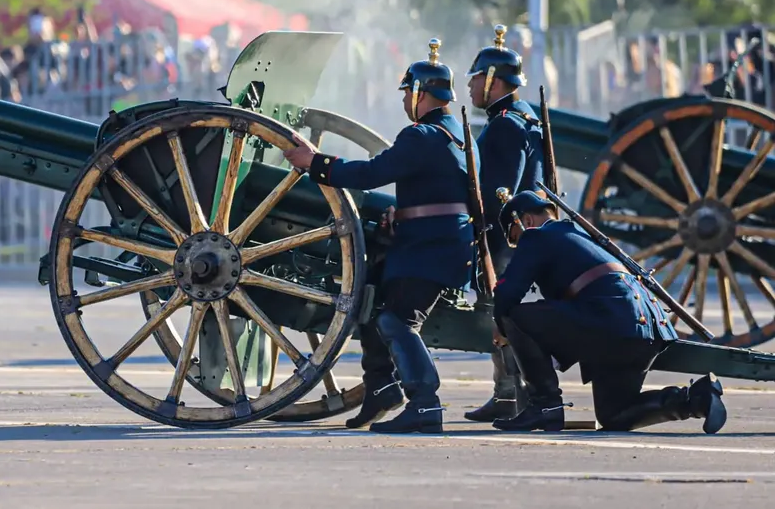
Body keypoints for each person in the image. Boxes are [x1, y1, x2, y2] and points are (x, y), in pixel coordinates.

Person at [283, 39, 477, 434]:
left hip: (430, 247)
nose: (405, 100)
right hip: (438, 241)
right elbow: (436, 191)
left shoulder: (420, 135)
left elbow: (372, 173)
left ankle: (425, 405)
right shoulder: (456, 136)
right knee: (375, 311)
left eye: (408, 92)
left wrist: (314, 163)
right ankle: (382, 389)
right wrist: (401, 213)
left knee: (398, 322)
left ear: (421, 92)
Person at [488, 190, 727, 434]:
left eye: (515, 239)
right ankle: (697, 399)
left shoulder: (536, 236)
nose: (518, 247)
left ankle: (544, 406)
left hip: (611, 322)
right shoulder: (583, 235)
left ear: (526, 221)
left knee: (514, 316)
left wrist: (501, 324)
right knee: (615, 415)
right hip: (643, 328)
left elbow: (508, 293)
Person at [463, 24, 544, 423]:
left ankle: (522, 397)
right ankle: (506, 394)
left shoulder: (507, 125)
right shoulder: (523, 115)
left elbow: (499, 194)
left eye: (476, 79)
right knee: (499, 314)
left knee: (502, 314)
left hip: (506, 239)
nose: (471, 87)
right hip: (521, 234)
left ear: (493, 81)